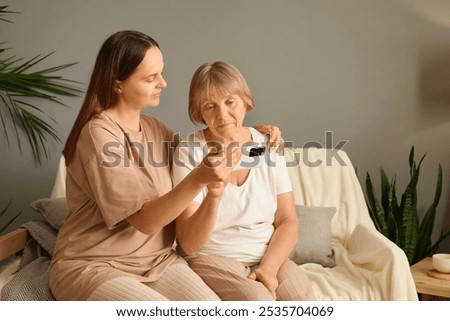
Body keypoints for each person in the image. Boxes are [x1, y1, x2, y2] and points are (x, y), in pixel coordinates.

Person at [49, 30, 282, 301]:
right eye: (151, 78)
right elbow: (144, 222)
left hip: (157, 261)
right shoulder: (98, 134)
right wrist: (197, 179)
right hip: (96, 265)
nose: (163, 83)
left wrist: (253, 134)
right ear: (118, 85)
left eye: (161, 73)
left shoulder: (154, 129)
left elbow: (205, 143)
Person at [172, 61, 316, 301]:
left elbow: (287, 220)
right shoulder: (189, 152)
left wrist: (268, 269)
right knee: (258, 302)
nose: (222, 115)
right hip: (213, 258)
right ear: (199, 112)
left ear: (245, 102)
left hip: (267, 255)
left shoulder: (268, 144)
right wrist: (214, 192)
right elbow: (187, 244)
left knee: (301, 299)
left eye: (230, 102)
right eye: (210, 106)